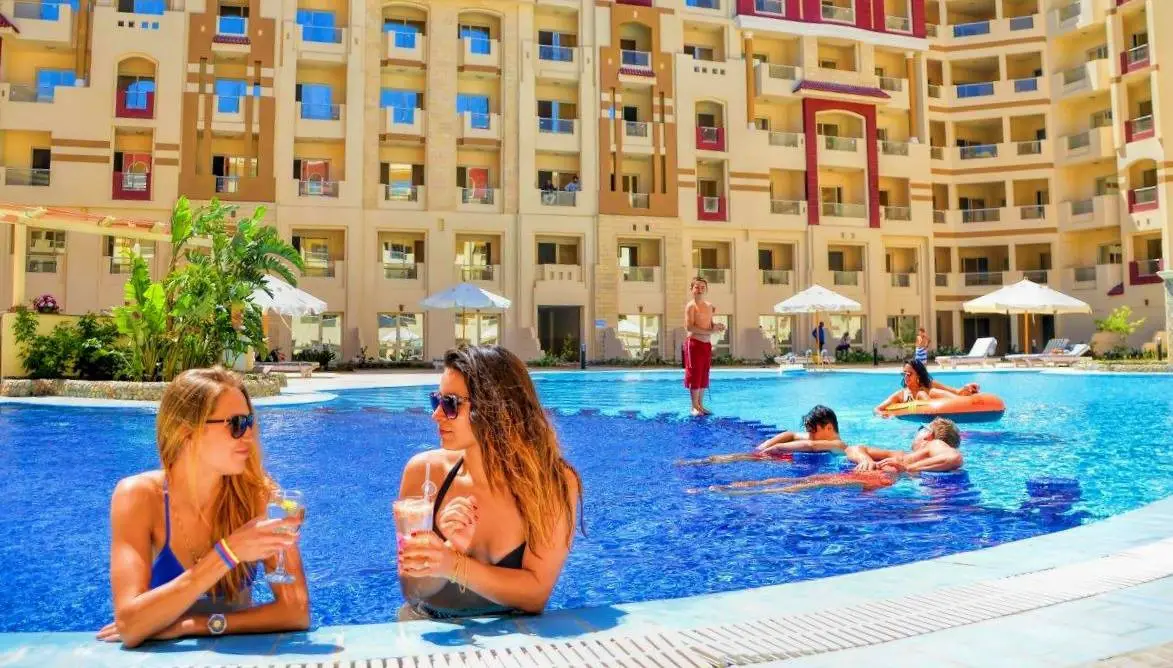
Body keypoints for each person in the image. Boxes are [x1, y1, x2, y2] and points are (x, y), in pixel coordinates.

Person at [100, 367, 309, 648]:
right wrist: (228, 553)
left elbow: (296, 611)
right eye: (236, 424)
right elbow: (130, 626)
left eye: (249, 421)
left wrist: (194, 625)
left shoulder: (257, 496)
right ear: (186, 431)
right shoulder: (139, 497)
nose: (248, 435)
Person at [396, 346, 583, 620]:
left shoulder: (552, 483)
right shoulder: (424, 473)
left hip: (516, 638)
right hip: (427, 626)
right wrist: (449, 549)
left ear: (494, 408)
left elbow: (535, 595)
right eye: (436, 401)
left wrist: (454, 564)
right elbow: (412, 591)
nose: (436, 414)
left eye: (450, 404)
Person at [676, 405, 846, 466]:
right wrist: (766, 445)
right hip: (792, 460)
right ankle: (702, 462)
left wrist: (777, 448)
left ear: (829, 427)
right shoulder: (819, 437)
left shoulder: (839, 445)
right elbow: (791, 434)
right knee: (744, 457)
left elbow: (812, 446)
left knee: (747, 458)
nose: (810, 435)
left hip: (799, 464)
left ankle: (700, 462)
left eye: (813, 431)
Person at [847, 417, 964, 473]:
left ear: (929, 435)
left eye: (921, 428)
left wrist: (908, 468)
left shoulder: (935, 443)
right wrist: (865, 460)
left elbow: (954, 458)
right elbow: (853, 449)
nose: (916, 432)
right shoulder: (902, 455)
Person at [695, 465, 901, 495]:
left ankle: (740, 488)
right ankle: (743, 489)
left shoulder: (895, 465)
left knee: (811, 481)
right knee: (812, 481)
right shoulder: (896, 471)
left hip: (856, 478)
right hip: (858, 479)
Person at [874, 359, 979, 416]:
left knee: (932, 392)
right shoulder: (901, 395)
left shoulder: (930, 385)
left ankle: (967, 404)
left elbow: (956, 391)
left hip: (941, 412)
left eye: (909, 374)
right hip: (919, 422)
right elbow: (877, 409)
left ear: (918, 375)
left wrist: (967, 388)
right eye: (904, 374)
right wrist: (884, 415)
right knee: (922, 394)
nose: (906, 377)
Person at [684, 276, 724, 416]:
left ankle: (700, 405)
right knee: (695, 374)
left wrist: (717, 327)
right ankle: (694, 406)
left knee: (703, 374)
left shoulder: (709, 306)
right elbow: (690, 327)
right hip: (694, 344)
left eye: (702, 287)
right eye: (697, 287)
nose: (700, 290)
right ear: (692, 289)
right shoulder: (691, 306)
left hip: (706, 344)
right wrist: (710, 331)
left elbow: (710, 324)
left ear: (706, 290)